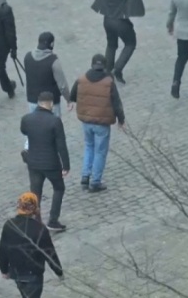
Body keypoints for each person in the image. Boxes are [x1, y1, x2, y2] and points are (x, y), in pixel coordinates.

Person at [0, 192, 64, 298]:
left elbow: (3, 250)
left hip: (16, 273)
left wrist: (4, 269)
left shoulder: (9, 225)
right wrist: (59, 271)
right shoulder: (39, 229)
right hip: (33, 275)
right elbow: (50, 254)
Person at [69, 54, 126, 193]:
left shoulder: (82, 79)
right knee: (100, 152)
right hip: (102, 123)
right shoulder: (109, 82)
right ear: (104, 66)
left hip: (86, 121)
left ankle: (85, 176)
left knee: (89, 147)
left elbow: (73, 95)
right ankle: (95, 182)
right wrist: (121, 120)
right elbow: (116, 103)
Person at [20, 91, 70, 232]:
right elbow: (61, 145)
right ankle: (53, 220)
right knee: (59, 188)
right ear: (51, 103)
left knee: (35, 193)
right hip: (51, 163)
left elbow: (24, 131)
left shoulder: (26, 119)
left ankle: (36, 222)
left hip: (33, 162)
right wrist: (66, 165)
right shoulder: (55, 121)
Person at [22, 32, 71, 149]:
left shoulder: (27, 57)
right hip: (51, 101)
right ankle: (54, 149)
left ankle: (29, 148)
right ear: (51, 44)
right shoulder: (53, 61)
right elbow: (62, 85)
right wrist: (68, 100)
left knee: (34, 126)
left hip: (32, 99)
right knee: (54, 127)